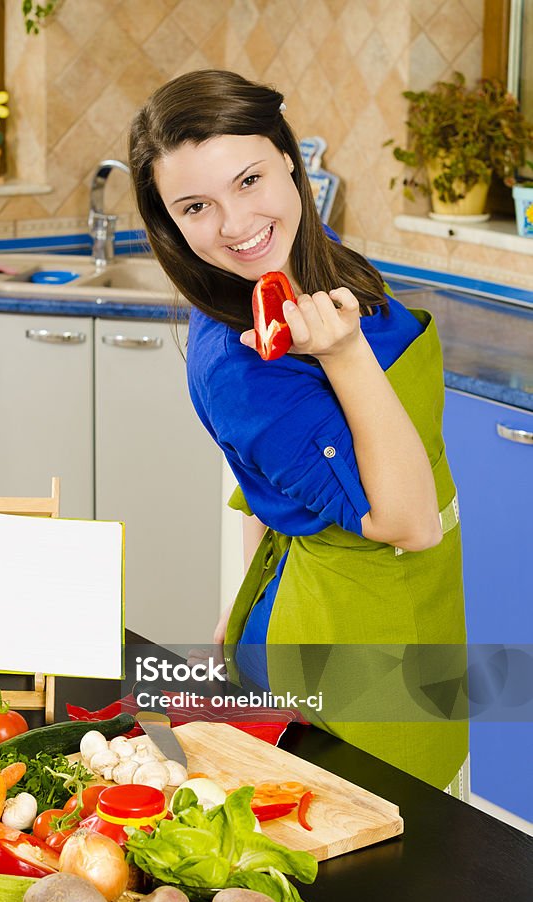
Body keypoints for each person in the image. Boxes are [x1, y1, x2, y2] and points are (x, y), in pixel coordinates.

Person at [129, 69, 468, 796]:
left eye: (248, 179)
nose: (234, 224)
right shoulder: (246, 368)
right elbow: (409, 521)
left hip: (401, 613)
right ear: (169, 222)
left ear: (289, 157)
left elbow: (261, 483)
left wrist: (236, 604)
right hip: (344, 649)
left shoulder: (299, 258)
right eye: (195, 206)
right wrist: (343, 356)